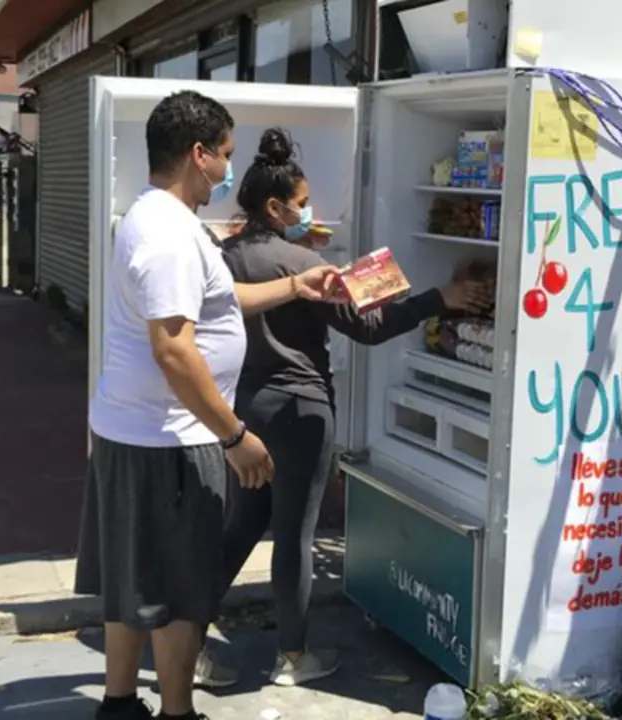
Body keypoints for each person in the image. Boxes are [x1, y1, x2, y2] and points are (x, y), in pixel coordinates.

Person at [74, 94, 341, 720]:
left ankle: (118, 703)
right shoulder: (170, 236)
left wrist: (295, 285)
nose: (227, 169)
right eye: (223, 155)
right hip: (169, 443)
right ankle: (176, 711)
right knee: (178, 592)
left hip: (133, 430)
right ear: (198, 155)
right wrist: (234, 436)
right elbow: (173, 349)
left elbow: (219, 302)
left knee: (135, 581)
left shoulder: (159, 220)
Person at [196, 128, 493, 687]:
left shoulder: (223, 254)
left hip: (242, 409)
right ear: (277, 207)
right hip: (301, 409)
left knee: (244, 522)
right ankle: (293, 656)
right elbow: (369, 328)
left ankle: (187, 638)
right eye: (303, 205)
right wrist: (439, 299)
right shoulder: (301, 263)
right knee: (294, 533)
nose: (311, 214)